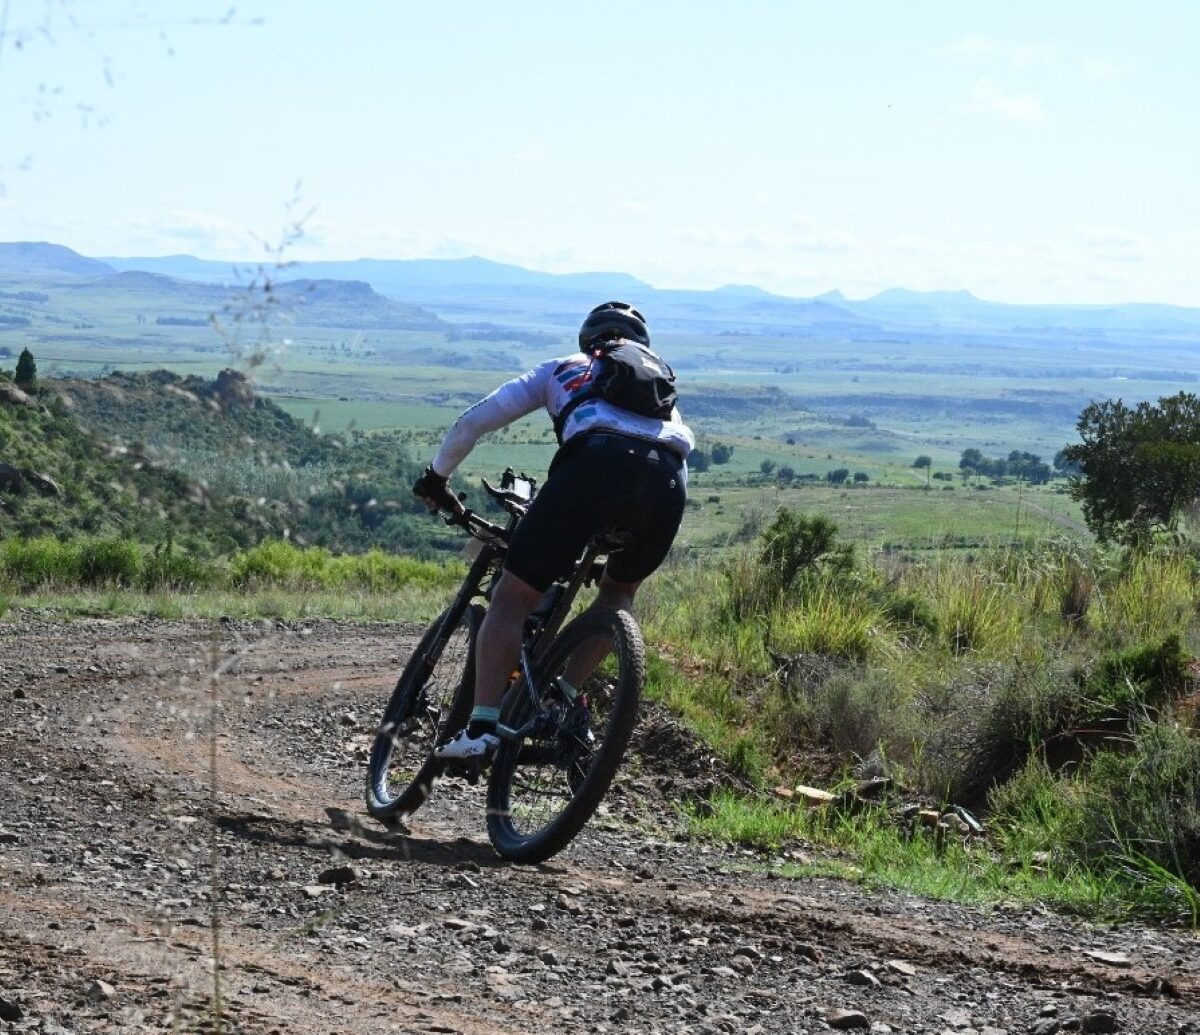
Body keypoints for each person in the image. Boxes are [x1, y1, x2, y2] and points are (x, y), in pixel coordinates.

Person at [412, 301, 694, 760]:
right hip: (666, 484)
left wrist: (436, 478)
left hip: (592, 467)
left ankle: (482, 728)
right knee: (618, 594)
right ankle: (561, 697)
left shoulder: (565, 368)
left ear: (590, 340)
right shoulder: (664, 394)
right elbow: (668, 456)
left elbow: (473, 423)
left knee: (511, 597)